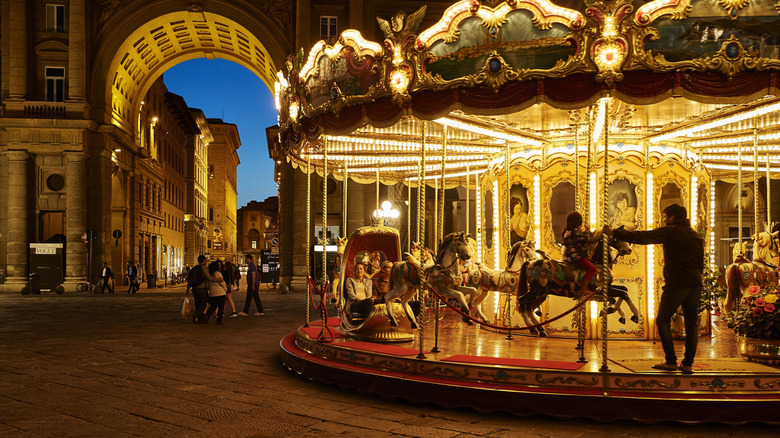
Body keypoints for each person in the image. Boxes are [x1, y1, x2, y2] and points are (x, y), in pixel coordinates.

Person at [607, 203, 704, 374]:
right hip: (694, 283)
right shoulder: (695, 235)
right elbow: (700, 263)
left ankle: (671, 361)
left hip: (677, 282)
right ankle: (688, 363)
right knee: (691, 324)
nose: (664, 219)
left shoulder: (670, 231)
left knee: (662, 320)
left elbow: (642, 237)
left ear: (672, 217)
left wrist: (615, 233)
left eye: (665, 216)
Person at [561, 211, 599, 295]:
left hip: (568, 256)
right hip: (576, 256)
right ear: (578, 222)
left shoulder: (567, 232)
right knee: (592, 268)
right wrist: (588, 230)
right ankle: (584, 288)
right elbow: (589, 238)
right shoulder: (576, 232)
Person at [185, 255, 224, 323]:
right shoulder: (204, 268)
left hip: (194, 289)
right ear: (204, 261)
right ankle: (196, 314)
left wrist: (188, 288)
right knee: (204, 303)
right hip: (202, 289)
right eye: (205, 260)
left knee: (197, 303)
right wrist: (217, 279)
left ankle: (199, 318)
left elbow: (190, 279)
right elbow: (208, 277)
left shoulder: (195, 268)